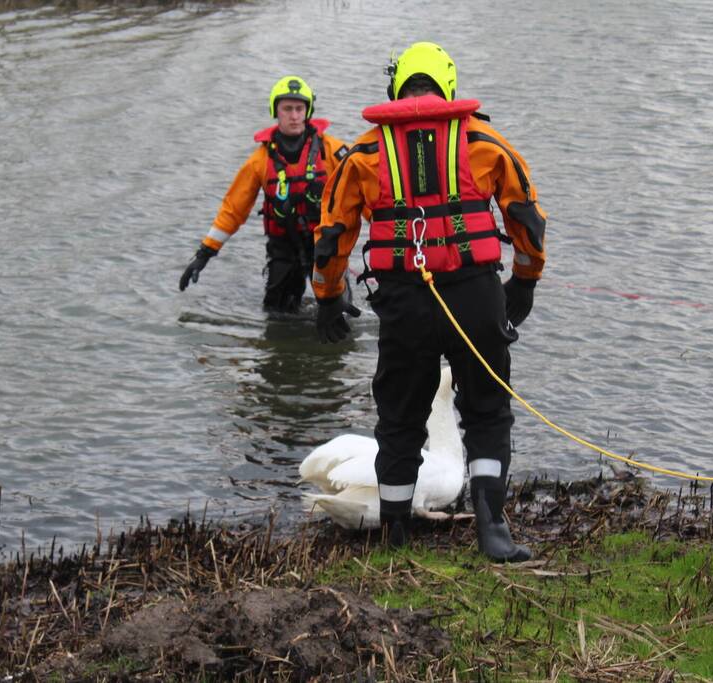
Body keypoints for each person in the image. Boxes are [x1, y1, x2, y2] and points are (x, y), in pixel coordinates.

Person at [311, 42, 547, 562]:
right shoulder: (485, 141)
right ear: (448, 84)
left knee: (399, 418)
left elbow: (332, 234)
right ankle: (492, 529)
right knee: (486, 411)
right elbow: (526, 218)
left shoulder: (364, 154)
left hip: (404, 306)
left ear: (396, 88)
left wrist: (328, 296)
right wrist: (525, 281)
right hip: (475, 300)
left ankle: (394, 533)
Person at [178, 76, 350, 313]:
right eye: (287, 109)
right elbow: (233, 210)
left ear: (308, 111)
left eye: (300, 108)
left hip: (326, 244)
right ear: (275, 111)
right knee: (277, 315)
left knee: (340, 311)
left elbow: (364, 192)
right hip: (283, 246)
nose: (294, 115)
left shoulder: (332, 151)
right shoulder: (259, 161)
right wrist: (204, 254)